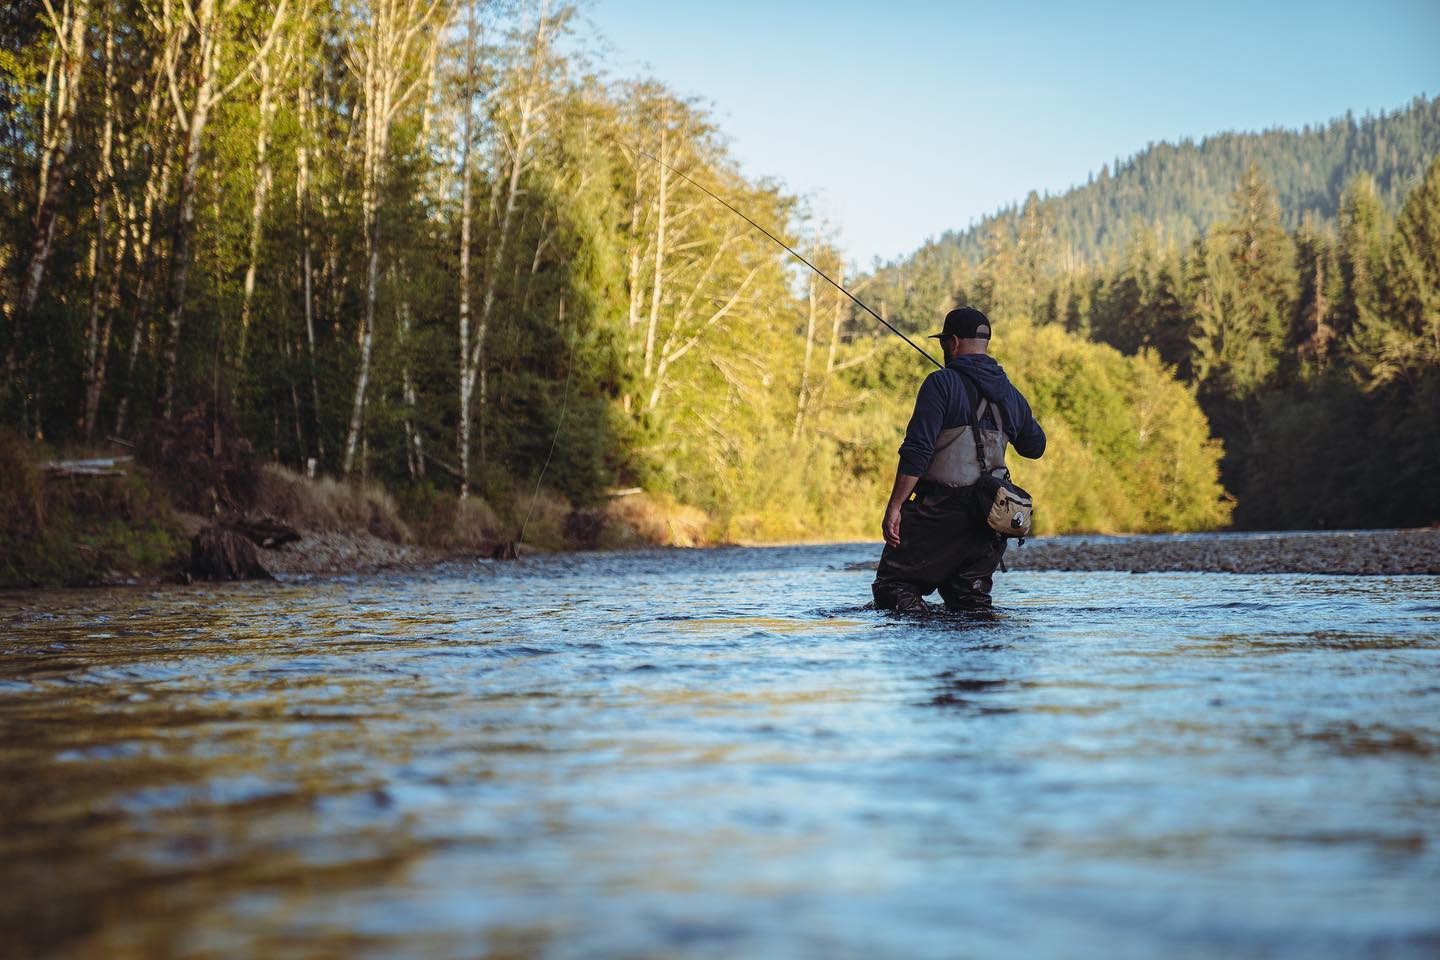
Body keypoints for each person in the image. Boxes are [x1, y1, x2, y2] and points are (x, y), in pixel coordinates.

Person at [872, 306, 1046, 612]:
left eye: (942, 344)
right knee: (970, 603)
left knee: (893, 588)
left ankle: (923, 653)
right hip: (991, 518)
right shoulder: (1010, 393)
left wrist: (895, 506)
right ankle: (975, 657)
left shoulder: (940, 384)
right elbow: (1035, 447)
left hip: (940, 514)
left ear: (952, 342)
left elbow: (918, 449)